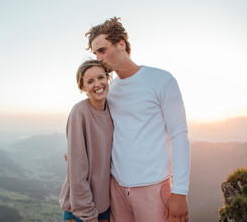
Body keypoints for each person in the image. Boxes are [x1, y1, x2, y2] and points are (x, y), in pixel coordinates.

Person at [85, 17, 190, 222]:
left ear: (121, 44)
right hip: (116, 188)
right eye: (95, 53)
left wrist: (180, 191)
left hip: (153, 187)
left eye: (102, 50)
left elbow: (179, 135)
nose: (98, 58)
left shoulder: (161, 80)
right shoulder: (109, 90)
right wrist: (79, 150)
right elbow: (103, 130)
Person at [59, 60, 113, 222]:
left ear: (108, 79)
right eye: (90, 81)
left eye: (101, 77)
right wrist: (87, 214)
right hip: (82, 211)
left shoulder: (112, 109)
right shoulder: (79, 112)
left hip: (104, 204)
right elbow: (77, 170)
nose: (97, 84)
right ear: (83, 88)